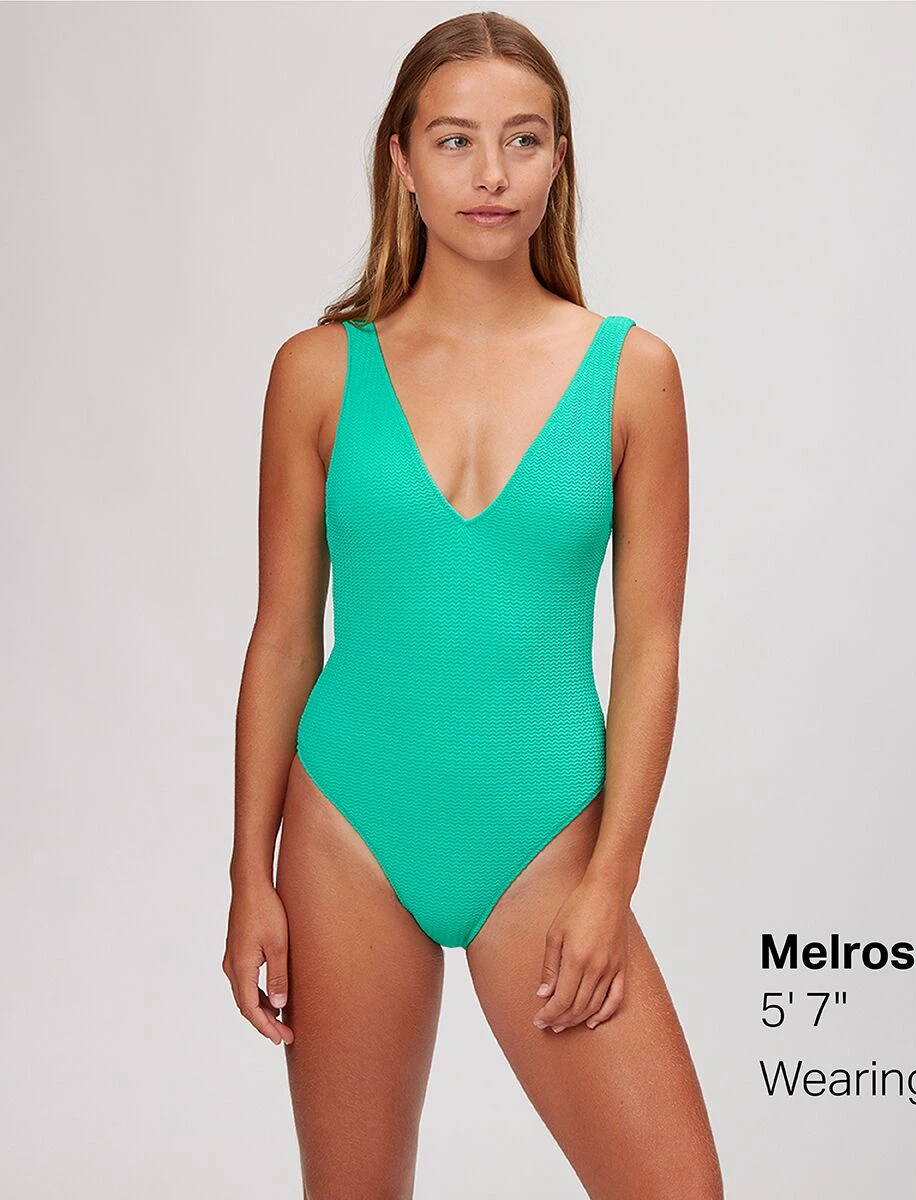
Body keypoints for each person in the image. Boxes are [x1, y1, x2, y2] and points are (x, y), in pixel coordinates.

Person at [223, 11, 722, 1197]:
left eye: (523, 139)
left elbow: (650, 648)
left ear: (559, 160)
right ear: (402, 159)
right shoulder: (317, 372)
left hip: (544, 832)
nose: (491, 174)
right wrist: (249, 874)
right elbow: (284, 638)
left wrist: (612, 881)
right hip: (346, 824)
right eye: (455, 140)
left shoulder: (634, 375)